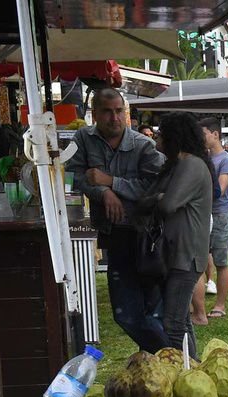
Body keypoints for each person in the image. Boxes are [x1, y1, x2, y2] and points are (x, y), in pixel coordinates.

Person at [67, 88, 165, 352]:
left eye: (119, 111)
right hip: (114, 233)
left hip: (146, 235)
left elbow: (156, 186)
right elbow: (75, 176)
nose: (114, 118)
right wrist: (104, 193)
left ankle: (169, 357)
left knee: (153, 310)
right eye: (107, 112)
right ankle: (167, 356)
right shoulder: (84, 138)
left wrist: (111, 182)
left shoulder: (143, 145)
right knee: (125, 313)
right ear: (95, 114)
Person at [138, 112, 213, 359]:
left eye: (161, 134)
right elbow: (146, 200)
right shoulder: (176, 165)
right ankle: (193, 367)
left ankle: (184, 371)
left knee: (173, 324)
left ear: (174, 136)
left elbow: (167, 204)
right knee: (180, 319)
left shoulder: (192, 165)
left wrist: (158, 198)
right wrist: (157, 198)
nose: (156, 139)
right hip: (174, 253)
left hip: (186, 254)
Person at [191, 117, 228, 323]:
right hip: (203, 215)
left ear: (215, 134)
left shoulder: (226, 160)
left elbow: (220, 190)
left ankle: (220, 305)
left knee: (221, 262)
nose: (200, 139)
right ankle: (197, 306)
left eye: (203, 134)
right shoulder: (204, 158)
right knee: (199, 261)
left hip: (219, 215)